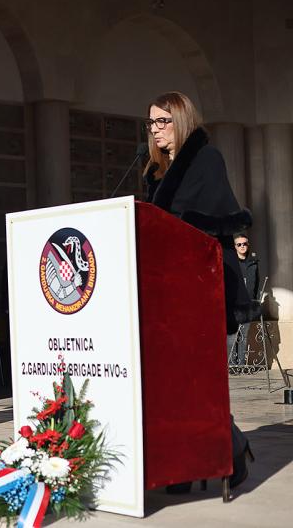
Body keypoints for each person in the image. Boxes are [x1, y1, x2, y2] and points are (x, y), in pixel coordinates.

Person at [144, 91, 253, 490]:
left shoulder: (207, 158)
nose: (155, 129)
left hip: (202, 285)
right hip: (166, 288)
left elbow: (222, 221)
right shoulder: (154, 173)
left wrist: (178, 227)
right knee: (172, 382)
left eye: (163, 121)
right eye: (151, 122)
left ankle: (231, 447)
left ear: (182, 120)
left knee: (196, 381)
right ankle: (184, 463)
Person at [231, 233, 261, 365]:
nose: (242, 246)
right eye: (239, 244)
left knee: (244, 335)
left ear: (248, 245)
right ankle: (232, 364)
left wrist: (255, 300)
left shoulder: (253, 263)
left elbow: (257, 284)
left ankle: (242, 363)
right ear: (235, 247)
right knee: (233, 335)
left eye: (244, 244)